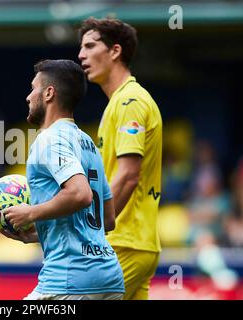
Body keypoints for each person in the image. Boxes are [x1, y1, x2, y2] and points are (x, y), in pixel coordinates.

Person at [1, 59, 125, 300]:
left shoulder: (50, 139)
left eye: (33, 88)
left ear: (49, 93)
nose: (28, 97)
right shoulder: (88, 144)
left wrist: (30, 213)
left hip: (68, 280)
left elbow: (80, 194)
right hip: (108, 278)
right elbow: (107, 220)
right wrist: (39, 234)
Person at [78, 18, 162, 300]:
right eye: (81, 48)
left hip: (123, 243)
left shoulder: (130, 103)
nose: (81, 55)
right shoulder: (118, 104)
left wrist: (93, 230)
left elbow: (128, 175)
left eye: (90, 46)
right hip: (134, 243)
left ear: (115, 51)